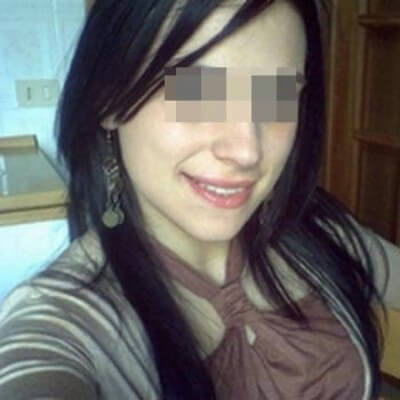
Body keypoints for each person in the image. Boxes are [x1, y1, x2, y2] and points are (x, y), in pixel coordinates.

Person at [0, 0, 399, 399]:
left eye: (277, 96)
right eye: (197, 92)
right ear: (109, 101)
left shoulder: (320, 232)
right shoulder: (66, 322)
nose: (247, 150)